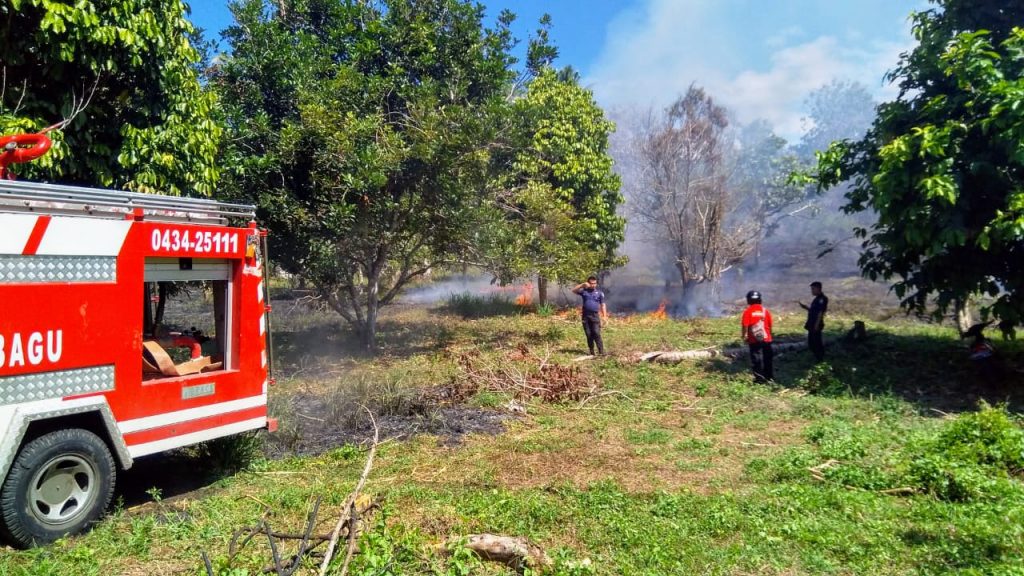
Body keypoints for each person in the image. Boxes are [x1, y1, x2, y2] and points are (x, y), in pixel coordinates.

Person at [741, 290, 774, 383]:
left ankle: (759, 379)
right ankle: (769, 378)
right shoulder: (765, 311)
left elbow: (745, 325)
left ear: (748, 300)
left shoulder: (748, 312)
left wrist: (744, 336)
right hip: (767, 339)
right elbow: (770, 326)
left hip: (754, 340)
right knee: (767, 358)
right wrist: (769, 337)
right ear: (760, 299)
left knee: (756, 359)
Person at [572, 276, 607, 355]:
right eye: (591, 283)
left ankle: (601, 351)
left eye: (594, 283)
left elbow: (603, 305)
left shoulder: (599, 293)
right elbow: (573, 290)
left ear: (596, 284)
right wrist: (582, 285)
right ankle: (592, 351)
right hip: (585, 316)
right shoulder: (584, 291)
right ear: (588, 283)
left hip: (595, 316)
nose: (593, 285)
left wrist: (604, 316)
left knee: (596, 333)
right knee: (588, 334)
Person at [798, 281, 829, 362]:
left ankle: (820, 359)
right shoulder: (816, 299)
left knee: (816, 343)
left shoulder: (822, 299)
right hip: (812, 324)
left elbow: (820, 313)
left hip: (816, 324)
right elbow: (813, 311)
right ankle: (818, 358)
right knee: (811, 343)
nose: (812, 291)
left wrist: (816, 325)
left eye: (813, 289)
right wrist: (805, 307)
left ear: (818, 289)